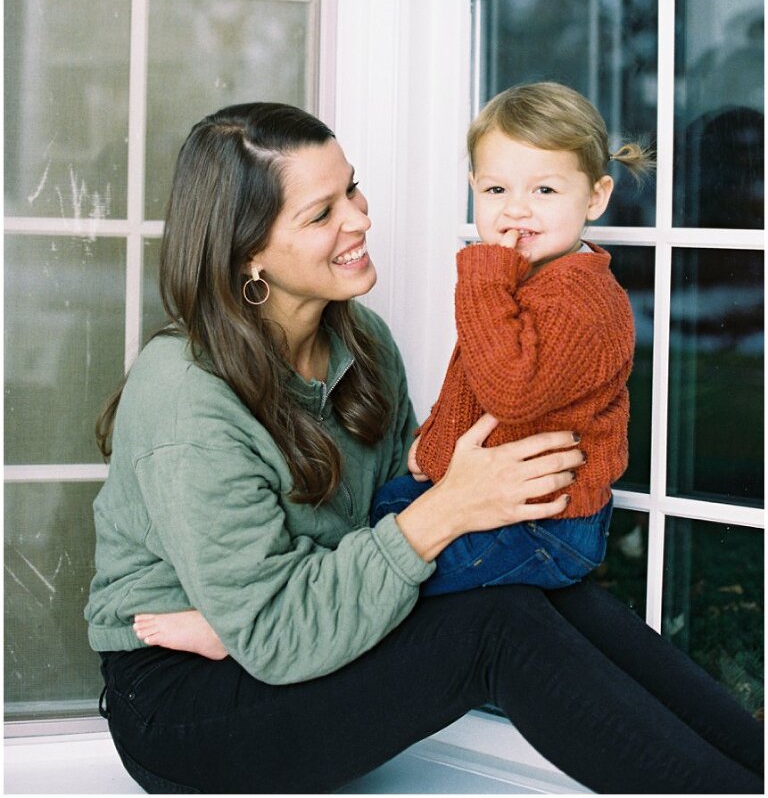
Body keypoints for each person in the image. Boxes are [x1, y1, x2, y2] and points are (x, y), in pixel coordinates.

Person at [85, 101, 763, 795]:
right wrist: (453, 506)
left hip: (288, 637)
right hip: (190, 707)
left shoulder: (362, 343)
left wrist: (476, 498)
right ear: (248, 249)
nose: (359, 217)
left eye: (352, 187)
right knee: (497, 623)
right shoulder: (187, 395)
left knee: (540, 587)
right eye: (322, 213)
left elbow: (376, 538)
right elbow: (288, 630)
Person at [370, 81, 652, 595]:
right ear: (474, 186)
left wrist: (483, 274)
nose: (517, 210)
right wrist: (432, 444)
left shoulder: (579, 298)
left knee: (389, 579)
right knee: (382, 509)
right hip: (508, 505)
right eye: (497, 190)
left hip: (546, 525)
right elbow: (472, 377)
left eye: (544, 190)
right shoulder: (531, 276)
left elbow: (510, 391)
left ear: (595, 197)